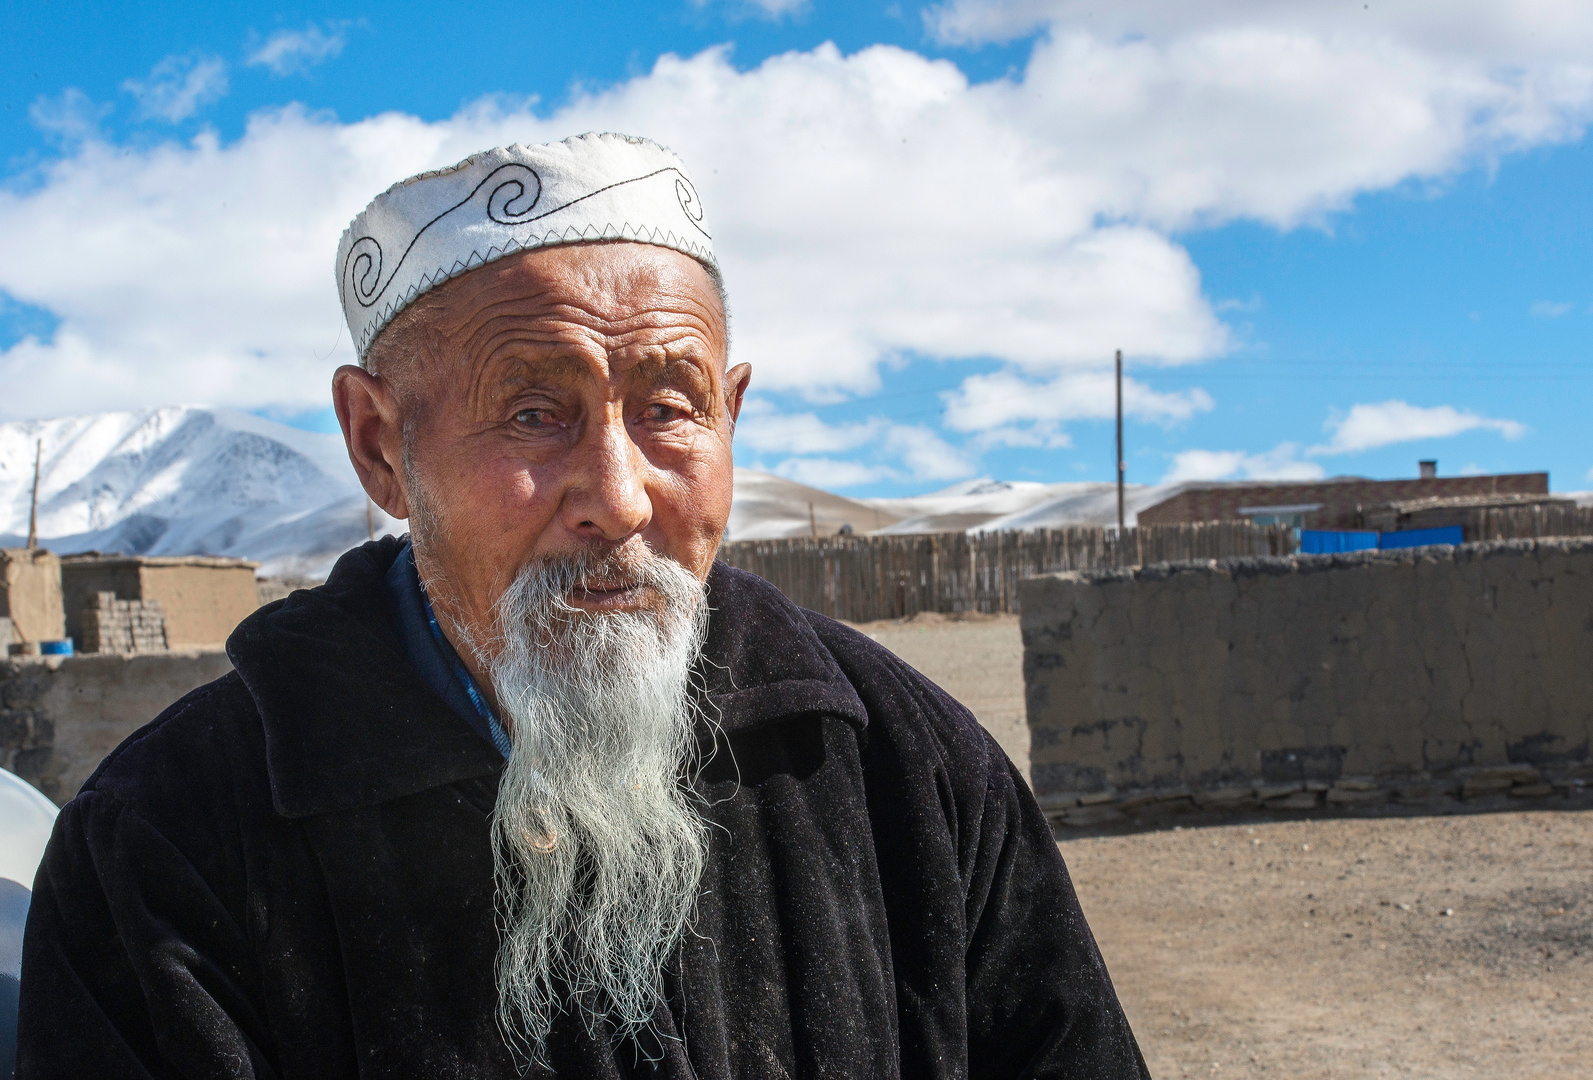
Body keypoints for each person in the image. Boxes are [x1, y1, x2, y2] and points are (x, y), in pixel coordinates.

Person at [18, 133, 1148, 1078]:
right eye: (531, 414)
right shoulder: (171, 846)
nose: (616, 497)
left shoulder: (908, 770)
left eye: (669, 407)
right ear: (378, 448)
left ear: (733, 417)